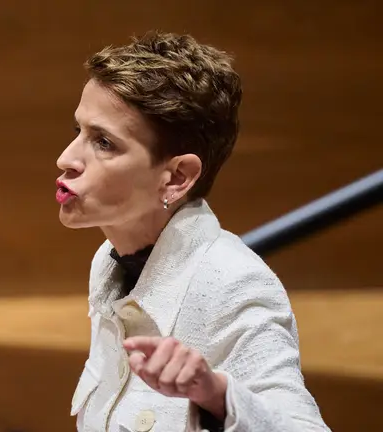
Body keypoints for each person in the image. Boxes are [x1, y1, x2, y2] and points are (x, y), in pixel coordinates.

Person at [56, 31, 330, 432]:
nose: (66, 158)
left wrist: (217, 396)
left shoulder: (235, 282)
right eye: (79, 131)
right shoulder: (111, 259)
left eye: (103, 143)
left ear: (177, 177)